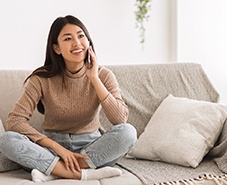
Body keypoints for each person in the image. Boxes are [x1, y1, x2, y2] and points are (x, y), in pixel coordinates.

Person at [0, 15, 137, 182]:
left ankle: (54, 170)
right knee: (7, 140)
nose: (77, 43)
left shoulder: (104, 75)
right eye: (68, 38)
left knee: (128, 132)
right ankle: (82, 173)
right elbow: (15, 120)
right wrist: (57, 148)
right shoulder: (41, 79)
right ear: (56, 48)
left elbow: (120, 119)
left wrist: (94, 78)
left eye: (81, 36)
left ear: (88, 41)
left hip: (91, 149)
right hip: (51, 148)